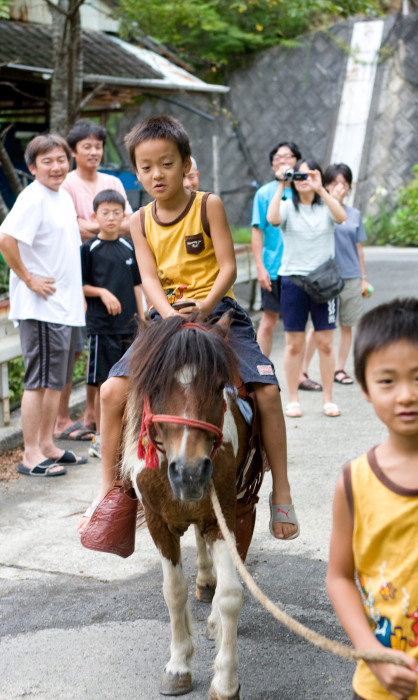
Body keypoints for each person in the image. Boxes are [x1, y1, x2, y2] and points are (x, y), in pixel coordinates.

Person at [78, 115, 299, 540]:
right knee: (111, 391)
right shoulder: (138, 220)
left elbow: (229, 267)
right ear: (136, 172)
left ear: (185, 164)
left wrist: (205, 307)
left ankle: (281, 491)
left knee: (268, 391)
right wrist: (171, 315)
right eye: (146, 167)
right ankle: (111, 494)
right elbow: (148, 277)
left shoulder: (207, 204)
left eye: (166, 163)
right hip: (166, 320)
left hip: (220, 314)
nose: (156, 174)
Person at [327, 297, 418, 700]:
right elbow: (339, 577)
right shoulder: (353, 483)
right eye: (387, 381)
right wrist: (371, 653)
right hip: (381, 687)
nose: (405, 395)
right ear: (366, 388)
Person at [0, 134, 87, 476]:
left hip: (63, 306)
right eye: (46, 161)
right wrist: (29, 278)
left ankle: (48, 444)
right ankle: (31, 454)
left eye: (61, 159)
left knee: (57, 380)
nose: (56, 166)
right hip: (41, 307)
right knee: (40, 381)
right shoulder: (33, 197)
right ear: (32, 167)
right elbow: (6, 239)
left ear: (69, 161)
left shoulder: (61, 196)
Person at [55, 120, 134, 441]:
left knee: (104, 347)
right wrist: (103, 227)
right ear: (73, 151)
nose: (93, 151)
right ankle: (64, 418)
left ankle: (92, 414)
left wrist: (94, 225)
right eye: (86, 146)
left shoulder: (113, 181)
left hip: (112, 269)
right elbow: (70, 225)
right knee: (78, 349)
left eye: (98, 146)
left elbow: (128, 221)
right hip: (76, 271)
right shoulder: (67, 184)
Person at [267, 158, 346, 418]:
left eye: (308, 176)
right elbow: (273, 218)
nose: (303, 181)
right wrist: (281, 184)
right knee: (293, 344)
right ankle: (293, 399)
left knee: (325, 342)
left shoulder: (326, 207)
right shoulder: (288, 207)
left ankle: (328, 398)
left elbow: (341, 216)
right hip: (293, 281)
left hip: (324, 283)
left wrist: (321, 187)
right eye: (298, 176)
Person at [251, 142, 319, 390]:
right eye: (277, 158)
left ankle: (300, 374)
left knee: (299, 326)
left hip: (302, 268)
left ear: (298, 162)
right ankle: (262, 373)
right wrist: (260, 267)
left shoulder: (306, 191)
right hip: (274, 267)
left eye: (288, 157)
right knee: (268, 322)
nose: (283, 161)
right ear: (272, 165)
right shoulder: (265, 193)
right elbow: (257, 233)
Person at [82, 189, 144, 459]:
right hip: (102, 327)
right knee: (101, 382)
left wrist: (143, 319)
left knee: (132, 381)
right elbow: (81, 285)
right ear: (94, 216)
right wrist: (103, 293)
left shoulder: (130, 246)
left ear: (124, 216)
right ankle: (99, 435)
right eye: (104, 213)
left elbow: (139, 284)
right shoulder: (88, 248)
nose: (110, 218)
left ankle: (129, 433)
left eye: (116, 212)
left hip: (130, 327)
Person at [302, 163, 373, 386]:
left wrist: (363, 276)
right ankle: (302, 370)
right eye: (334, 183)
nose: (339, 188)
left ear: (350, 187)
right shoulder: (320, 211)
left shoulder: (355, 214)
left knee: (347, 325)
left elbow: (358, 248)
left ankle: (340, 369)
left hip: (351, 276)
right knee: (319, 326)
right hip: (326, 278)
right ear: (326, 185)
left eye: (344, 184)